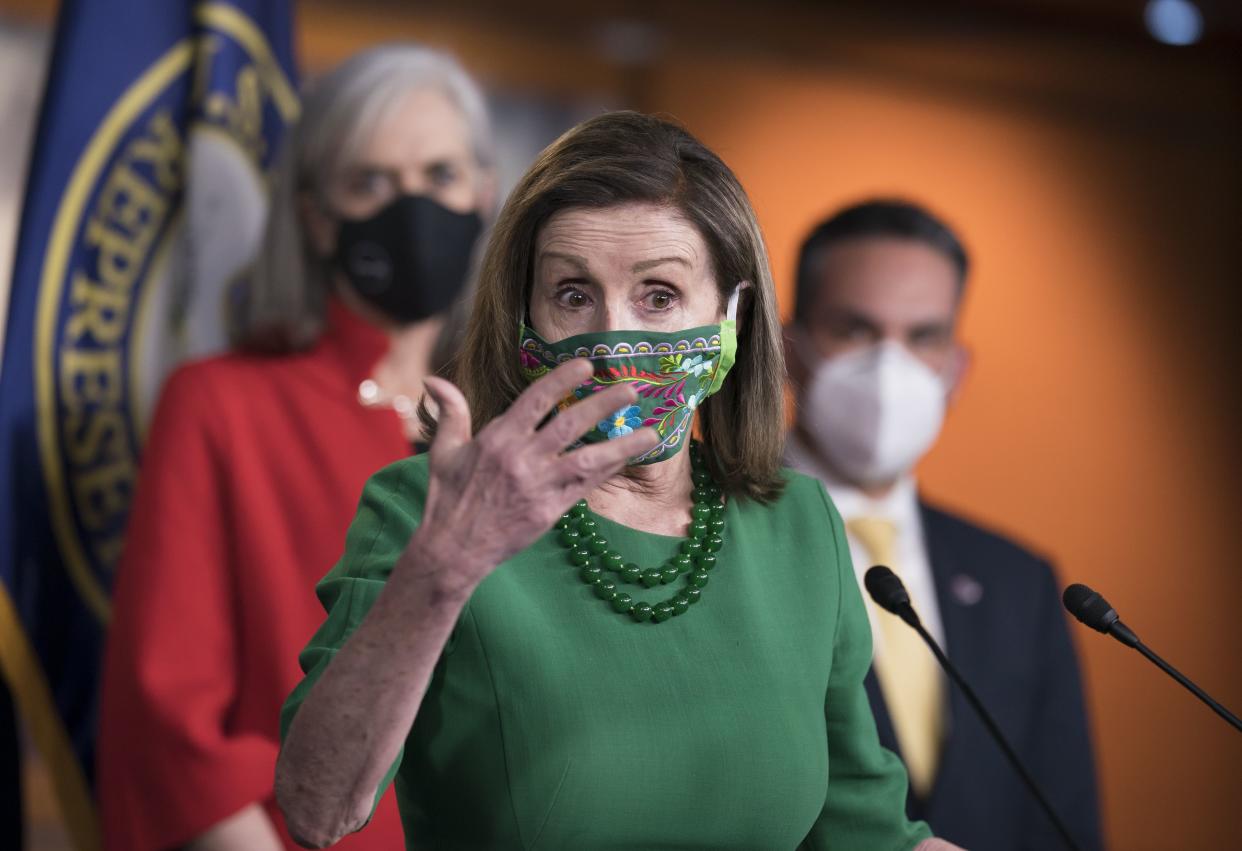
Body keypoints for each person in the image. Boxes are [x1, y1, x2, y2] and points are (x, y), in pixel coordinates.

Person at [274, 111, 964, 851]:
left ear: (733, 315)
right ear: (525, 317)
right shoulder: (429, 507)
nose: (612, 337)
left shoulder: (800, 523)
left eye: (659, 296)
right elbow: (317, 807)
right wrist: (444, 569)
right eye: (573, 293)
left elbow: (863, 830)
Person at [97, 44, 496, 851]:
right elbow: (172, 725)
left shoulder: (510, 419)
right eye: (370, 182)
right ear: (316, 218)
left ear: (486, 194)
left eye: (441, 175)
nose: (411, 208)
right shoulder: (220, 404)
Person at [783, 199, 1103, 851]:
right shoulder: (705, 540)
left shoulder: (1022, 582)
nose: (889, 366)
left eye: (923, 335)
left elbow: (1066, 822)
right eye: (855, 329)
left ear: (957, 371)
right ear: (790, 349)